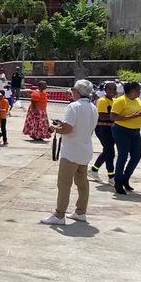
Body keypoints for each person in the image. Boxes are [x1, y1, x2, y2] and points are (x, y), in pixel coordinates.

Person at [40, 80, 98, 225]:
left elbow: (67, 129)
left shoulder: (74, 106)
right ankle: (80, 211)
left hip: (72, 150)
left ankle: (59, 214)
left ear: (77, 91)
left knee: (64, 183)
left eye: (73, 89)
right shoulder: (93, 107)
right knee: (82, 182)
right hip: (85, 149)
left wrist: (54, 128)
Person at [110, 82, 141, 195]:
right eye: (138, 90)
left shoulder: (138, 100)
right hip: (122, 130)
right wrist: (131, 116)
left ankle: (125, 178)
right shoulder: (121, 100)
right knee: (123, 155)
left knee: (136, 156)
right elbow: (113, 117)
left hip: (135, 131)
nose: (140, 92)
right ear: (131, 91)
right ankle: (118, 182)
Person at [89, 82, 117, 185]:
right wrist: (117, 116)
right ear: (105, 90)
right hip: (103, 128)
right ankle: (111, 176)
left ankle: (94, 170)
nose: (113, 92)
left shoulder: (115, 101)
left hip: (112, 129)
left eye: (114, 89)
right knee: (110, 152)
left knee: (107, 151)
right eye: (110, 89)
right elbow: (102, 116)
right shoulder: (102, 101)